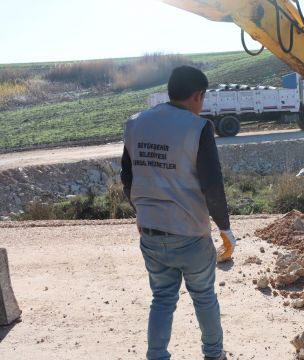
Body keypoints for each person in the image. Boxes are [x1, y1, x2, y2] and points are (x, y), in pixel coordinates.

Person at [121, 65, 236, 360]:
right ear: (197, 95)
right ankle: (214, 355)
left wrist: (142, 213)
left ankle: (156, 356)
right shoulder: (198, 128)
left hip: (150, 233)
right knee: (204, 298)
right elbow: (212, 184)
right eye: (203, 98)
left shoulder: (135, 123)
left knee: (162, 299)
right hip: (190, 235)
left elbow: (128, 177)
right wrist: (225, 227)